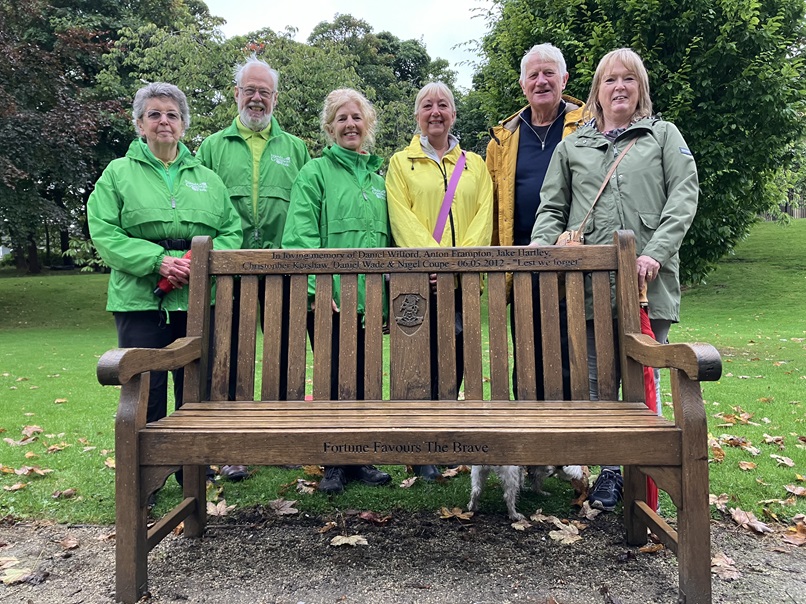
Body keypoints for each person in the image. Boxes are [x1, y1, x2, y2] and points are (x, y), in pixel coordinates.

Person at [530, 48, 699, 511]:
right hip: (587, 287)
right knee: (596, 382)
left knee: (645, 377)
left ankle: (646, 475)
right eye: (610, 80)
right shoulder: (573, 147)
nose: (619, 87)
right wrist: (544, 255)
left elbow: (683, 198)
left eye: (629, 79)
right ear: (596, 92)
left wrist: (655, 254)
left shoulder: (663, 136)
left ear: (640, 88)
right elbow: (551, 209)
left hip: (648, 284)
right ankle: (609, 472)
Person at [87, 81, 241, 451]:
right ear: (139, 124)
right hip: (140, 301)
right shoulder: (117, 174)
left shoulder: (207, 178)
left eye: (172, 115)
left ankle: (192, 467)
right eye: (154, 114)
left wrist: (194, 263)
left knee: (195, 385)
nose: (164, 122)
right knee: (145, 387)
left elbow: (232, 231)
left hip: (197, 298)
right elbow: (105, 232)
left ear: (184, 125)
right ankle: (146, 472)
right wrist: (157, 261)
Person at [197, 55, 310, 481]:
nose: (257, 98)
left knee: (285, 356)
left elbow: (304, 211)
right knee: (231, 358)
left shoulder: (295, 148)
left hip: (283, 269)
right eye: (250, 90)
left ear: (276, 97)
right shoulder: (211, 147)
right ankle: (231, 447)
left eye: (265, 91)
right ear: (236, 94)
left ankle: (282, 441)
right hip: (231, 270)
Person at [281, 88, 392, 495]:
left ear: (368, 126)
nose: (350, 125)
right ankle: (332, 460)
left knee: (364, 378)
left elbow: (390, 243)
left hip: (369, 300)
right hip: (328, 300)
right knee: (330, 378)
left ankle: (360, 457)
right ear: (330, 127)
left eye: (357, 118)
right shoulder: (313, 173)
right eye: (342, 118)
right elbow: (299, 236)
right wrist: (317, 287)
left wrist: (383, 297)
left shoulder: (380, 180)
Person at [385, 81, 493, 481]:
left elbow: (484, 214)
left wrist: (457, 263)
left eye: (443, 105)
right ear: (417, 115)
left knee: (456, 359)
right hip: (419, 280)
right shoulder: (401, 163)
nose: (435, 112)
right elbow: (400, 216)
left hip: (461, 281)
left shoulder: (476, 164)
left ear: (453, 114)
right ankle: (420, 445)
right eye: (427, 105)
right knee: (421, 361)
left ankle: (445, 440)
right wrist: (430, 260)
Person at [486, 43, 585, 400]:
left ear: (564, 79)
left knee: (573, 357)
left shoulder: (589, 125)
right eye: (533, 75)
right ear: (522, 83)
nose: (541, 81)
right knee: (526, 358)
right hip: (522, 264)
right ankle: (533, 446)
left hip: (575, 263)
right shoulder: (504, 138)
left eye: (549, 73)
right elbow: (494, 205)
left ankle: (571, 444)